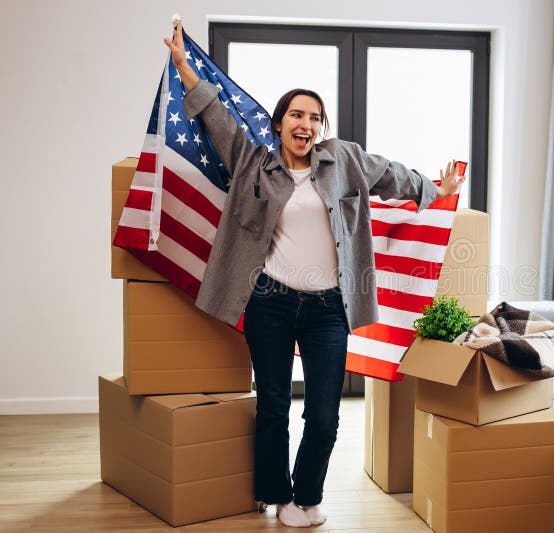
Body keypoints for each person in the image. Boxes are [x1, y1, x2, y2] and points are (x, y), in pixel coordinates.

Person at [164, 20, 464, 528]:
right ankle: (278, 497)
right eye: (297, 115)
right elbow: (217, 120)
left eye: (315, 118)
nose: (306, 124)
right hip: (269, 302)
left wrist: (438, 187)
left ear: (320, 128)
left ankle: (307, 495)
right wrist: (186, 71)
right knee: (275, 406)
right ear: (279, 124)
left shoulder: (342, 159)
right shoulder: (252, 163)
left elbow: (393, 174)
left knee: (324, 414)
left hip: (328, 308)